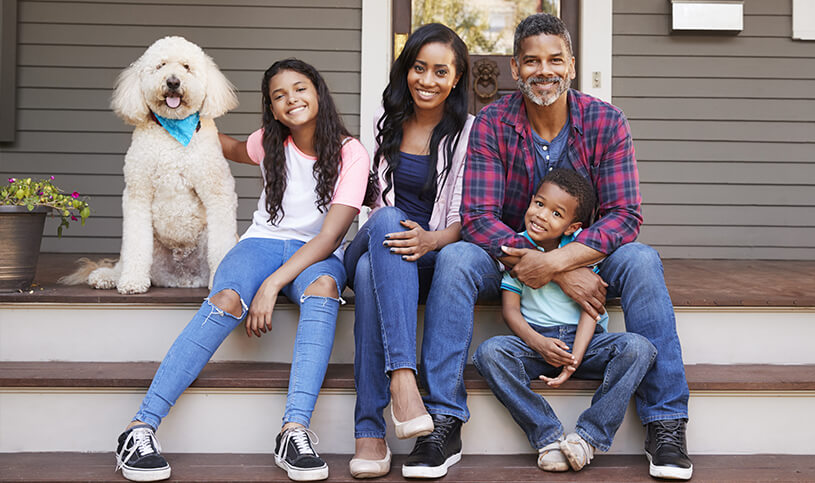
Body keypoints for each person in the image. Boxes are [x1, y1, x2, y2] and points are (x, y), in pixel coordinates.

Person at [418, 13, 695, 480]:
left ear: (570, 64)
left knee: (643, 259)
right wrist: (545, 265)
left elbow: (624, 215)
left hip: (593, 256)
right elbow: (478, 218)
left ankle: (666, 422)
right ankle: (443, 419)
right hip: (508, 259)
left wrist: (561, 260)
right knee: (455, 257)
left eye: (554, 59)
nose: (543, 70)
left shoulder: (606, 122)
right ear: (514, 68)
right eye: (531, 61)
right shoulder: (491, 123)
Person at [112, 58, 369, 483]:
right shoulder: (269, 140)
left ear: (318, 92)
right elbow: (226, 147)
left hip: (316, 253)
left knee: (324, 289)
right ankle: (139, 428)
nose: (292, 100)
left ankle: (295, 430)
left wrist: (272, 285)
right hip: (259, 244)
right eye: (279, 96)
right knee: (226, 298)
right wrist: (180, 124)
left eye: (300, 89)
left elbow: (330, 236)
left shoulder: (350, 151)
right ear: (271, 107)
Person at [343, 23, 473, 480]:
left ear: (456, 79)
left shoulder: (469, 134)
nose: (428, 80)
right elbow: (368, 203)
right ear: (406, 70)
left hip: (428, 253)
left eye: (441, 71)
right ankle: (403, 380)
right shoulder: (388, 121)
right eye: (419, 68)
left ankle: (369, 431)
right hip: (377, 238)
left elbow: (465, 218)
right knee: (383, 220)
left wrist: (431, 239)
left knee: (364, 277)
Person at [473, 168, 657, 473]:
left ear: (572, 227)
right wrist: (538, 343)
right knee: (489, 353)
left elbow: (591, 308)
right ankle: (548, 436)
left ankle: (588, 438)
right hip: (536, 343)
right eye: (539, 204)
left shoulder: (578, 253)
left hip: (587, 344)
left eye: (556, 214)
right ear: (530, 202)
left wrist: (575, 359)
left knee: (639, 349)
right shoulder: (518, 249)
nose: (542, 216)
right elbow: (510, 312)